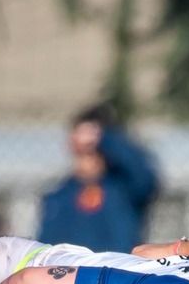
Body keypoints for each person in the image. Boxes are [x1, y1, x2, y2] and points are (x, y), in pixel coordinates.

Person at [38, 104, 158, 253]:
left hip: (115, 272)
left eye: (92, 149)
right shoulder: (58, 197)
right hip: (71, 274)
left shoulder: (123, 189)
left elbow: (144, 173)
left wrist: (105, 136)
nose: (86, 158)